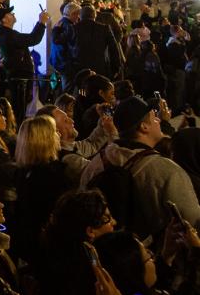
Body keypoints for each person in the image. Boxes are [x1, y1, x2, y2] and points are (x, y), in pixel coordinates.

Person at [80, 95, 200, 240]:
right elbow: (192, 223)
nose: (159, 120)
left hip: (106, 251)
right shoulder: (166, 169)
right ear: (144, 127)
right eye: (154, 117)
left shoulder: (95, 163)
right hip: (150, 257)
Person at [38, 189, 116, 295]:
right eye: (108, 219)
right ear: (90, 231)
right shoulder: (89, 275)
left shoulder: (54, 252)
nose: (114, 223)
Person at [12, 115, 69, 267]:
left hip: (28, 246)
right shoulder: (52, 175)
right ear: (44, 140)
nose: (59, 135)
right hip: (48, 249)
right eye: (55, 132)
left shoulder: (23, 173)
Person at [0, 4, 49, 113]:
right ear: (4, 20)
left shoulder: (6, 33)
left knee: (20, 107)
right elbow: (33, 39)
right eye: (10, 13)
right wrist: (41, 23)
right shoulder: (8, 35)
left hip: (18, 76)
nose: (13, 14)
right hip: (19, 78)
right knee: (19, 108)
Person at [74, 4, 123, 81]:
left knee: (83, 90)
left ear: (80, 16)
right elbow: (113, 49)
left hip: (80, 69)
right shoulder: (104, 28)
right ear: (95, 16)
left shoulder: (73, 29)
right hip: (101, 67)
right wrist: (116, 67)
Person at [51, 1, 81, 94]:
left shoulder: (60, 23)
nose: (78, 17)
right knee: (68, 90)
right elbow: (59, 41)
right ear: (73, 14)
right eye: (77, 14)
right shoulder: (69, 26)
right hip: (66, 63)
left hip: (59, 61)